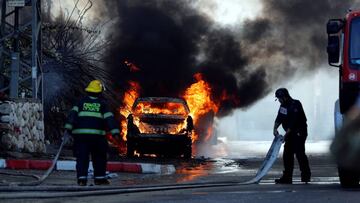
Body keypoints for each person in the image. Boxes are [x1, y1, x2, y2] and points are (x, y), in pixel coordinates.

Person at [64, 80, 120, 186]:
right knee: (99, 158)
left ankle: (81, 179)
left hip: (81, 137)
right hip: (97, 137)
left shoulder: (80, 103)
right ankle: (99, 179)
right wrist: (115, 132)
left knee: (82, 158)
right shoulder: (102, 105)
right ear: (99, 92)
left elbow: (72, 116)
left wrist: (68, 129)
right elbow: (110, 119)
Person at [273, 88, 311, 184]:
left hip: (299, 132)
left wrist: (286, 135)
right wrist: (275, 128)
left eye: (280, 98)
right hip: (290, 133)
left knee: (299, 153)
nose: (279, 100)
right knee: (287, 154)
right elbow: (279, 118)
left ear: (285, 97)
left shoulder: (295, 104)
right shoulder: (283, 106)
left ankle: (305, 176)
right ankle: (287, 177)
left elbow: (293, 123)